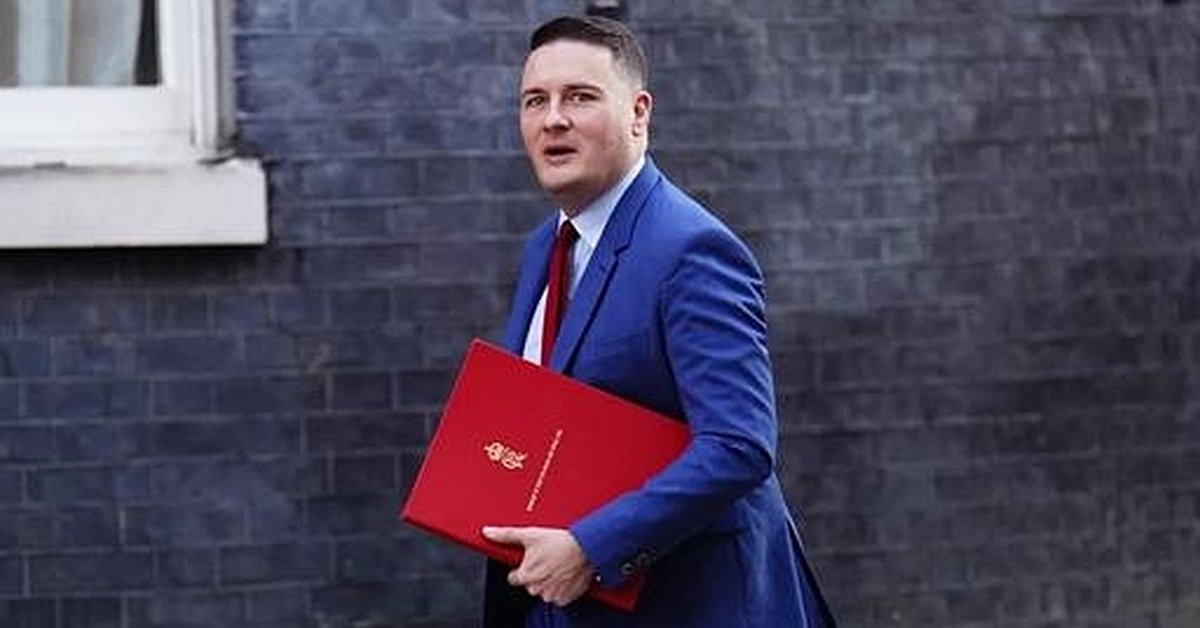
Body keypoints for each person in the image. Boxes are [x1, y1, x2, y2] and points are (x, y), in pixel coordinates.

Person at [479, 15, 837, 628]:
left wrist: (591, 549)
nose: (553, 119)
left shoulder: (692, 250)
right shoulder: (547, 245)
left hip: (690, 604)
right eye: (535, 101)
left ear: (638, 113)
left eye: (580, 97)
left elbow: (739, 445)